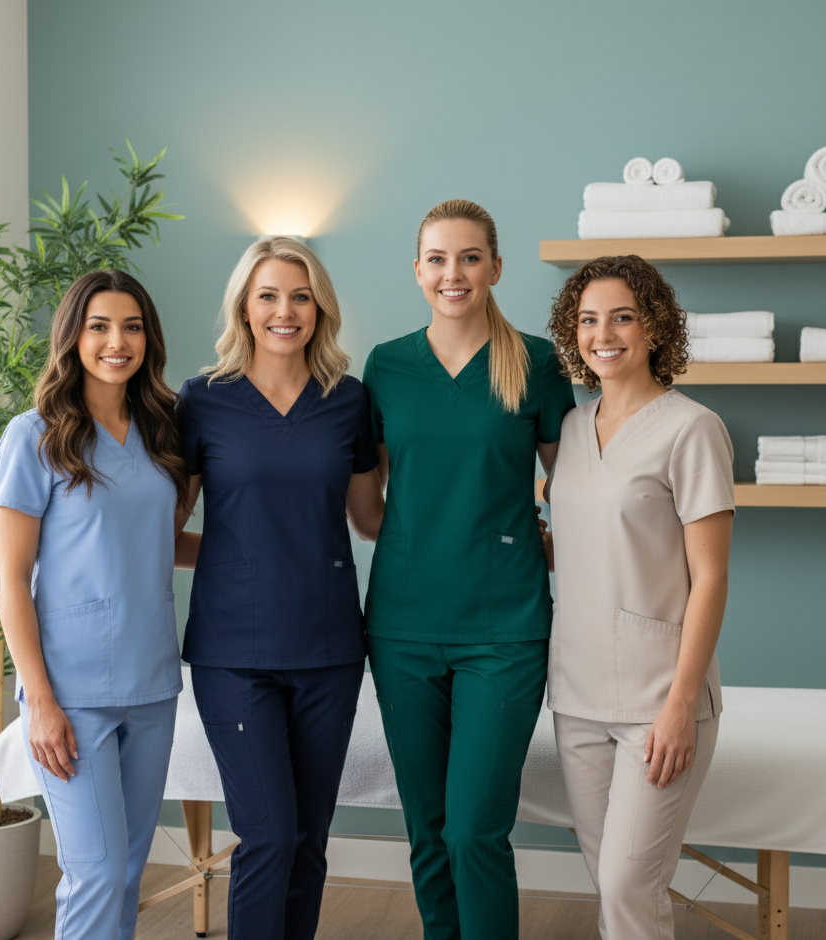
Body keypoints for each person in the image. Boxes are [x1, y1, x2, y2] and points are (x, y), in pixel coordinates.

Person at [361, 199, 575, 940]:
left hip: (504, 628)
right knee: (426, 828)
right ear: (418, 270)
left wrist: (525, 540)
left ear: (495, 267)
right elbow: (368, 508)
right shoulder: (386, 365)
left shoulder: (540, 364)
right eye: (438, 259)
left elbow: (575, 495)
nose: (453, 274)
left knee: (473, 831)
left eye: (470, 258)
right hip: (402, 625)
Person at [175, 236, 384, 940]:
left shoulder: (350, 401)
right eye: (268, 295)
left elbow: (369, 518)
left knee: (308, 840)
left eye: (300, 296)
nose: (284, 310)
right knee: (267, 834)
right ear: (244, 305)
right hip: (233, 652)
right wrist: (242, 556)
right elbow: (163, 530)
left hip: (329, 649)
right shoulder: (203, 400)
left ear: (320, 307)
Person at [0, 269, 191, 940]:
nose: (117, 341)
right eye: (100, 326)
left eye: (132, 326)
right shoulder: (34, 436)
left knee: (127, 871)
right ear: (73, 335)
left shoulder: (162, 431)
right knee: (97, 873)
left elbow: (158, 545)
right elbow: (11, 579)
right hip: (71, 694)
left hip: (153, 682)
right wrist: (39, 701)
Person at [546, 255, 734, 940]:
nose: (605, 333)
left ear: (654, 326)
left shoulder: (693, 428)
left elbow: (711, 576)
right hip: (577, 694)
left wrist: (682, 703)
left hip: (659, 697)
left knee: (629, 885)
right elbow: (577, 541)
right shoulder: (572, 429)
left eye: (623, 316)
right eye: (589, 319)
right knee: (614, 885)